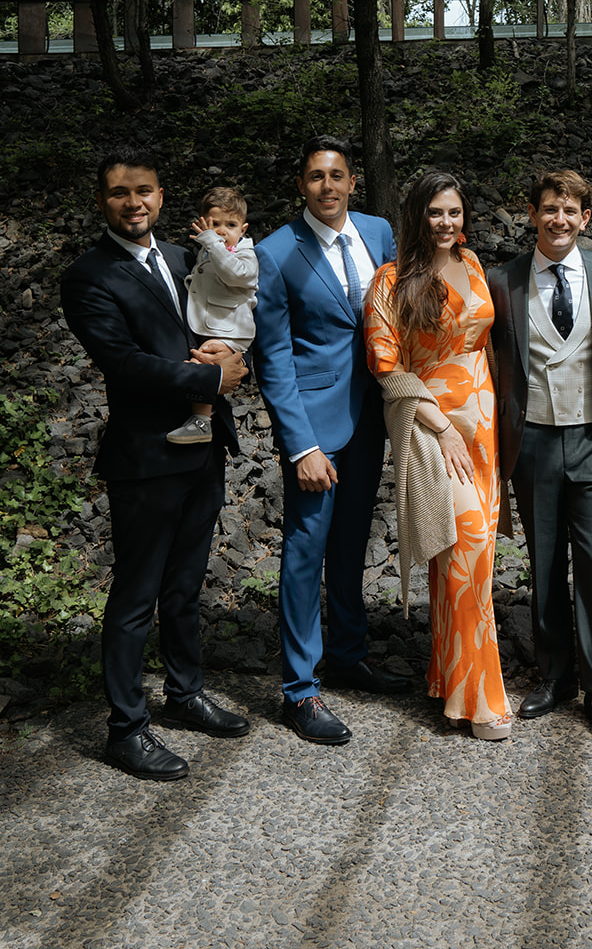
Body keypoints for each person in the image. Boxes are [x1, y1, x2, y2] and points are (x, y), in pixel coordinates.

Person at [60, 147, 250, 780]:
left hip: (204, 450)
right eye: (119, 193)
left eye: (144, 191)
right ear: (102, 202)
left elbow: (209, 318)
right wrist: (207, 378)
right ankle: (126, 727)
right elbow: (121, 361)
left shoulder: (180, 257)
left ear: (162, 196)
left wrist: (219, 351)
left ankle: (186, 692)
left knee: (185, 586)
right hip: (146, 456)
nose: (133, 202)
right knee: (137, 595)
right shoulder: (89, 276)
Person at [254, 136, 408, 746]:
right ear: (302, 185)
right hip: (316, 427)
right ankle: (300, 690)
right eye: (316, 176)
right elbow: (274, 358)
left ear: (352, 181)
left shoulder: (377, 232)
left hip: (372, 418)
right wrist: (300, 445)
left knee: (351, 544)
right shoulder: (276, 252)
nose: (328, 186)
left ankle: (347, 654)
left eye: (338, 175)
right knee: (304, 551)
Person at [364, 171, 512, 741]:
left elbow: (485, 343)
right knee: (463, 550)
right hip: (434, 427)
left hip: (485, 428)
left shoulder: (473, 265)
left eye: (454, 212)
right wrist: (442, 427)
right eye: (435, 213)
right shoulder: (391, 279)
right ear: (416, 217)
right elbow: (386, 366)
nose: (446, 223)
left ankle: (449, 682)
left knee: (470, 560)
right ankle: (480, 698)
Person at [488, 170, 592, 744]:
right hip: (536, 439)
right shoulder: (505, 280)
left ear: (586, 218)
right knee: (544, 558)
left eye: (571, 211)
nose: (560, 220)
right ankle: (554, 676)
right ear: (532, 214)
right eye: (549, 210)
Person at [167, 185, 258, 445]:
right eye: (214, 223)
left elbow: (235, 274)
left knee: (203, 360)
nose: (220, 231)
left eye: (230, 224)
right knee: (201, 358)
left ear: (243, 229)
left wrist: (213, 244)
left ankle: (201, 421)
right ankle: (204, 409)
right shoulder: (207, 250)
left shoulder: (245, 254)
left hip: (231, 331)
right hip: (215, 324)